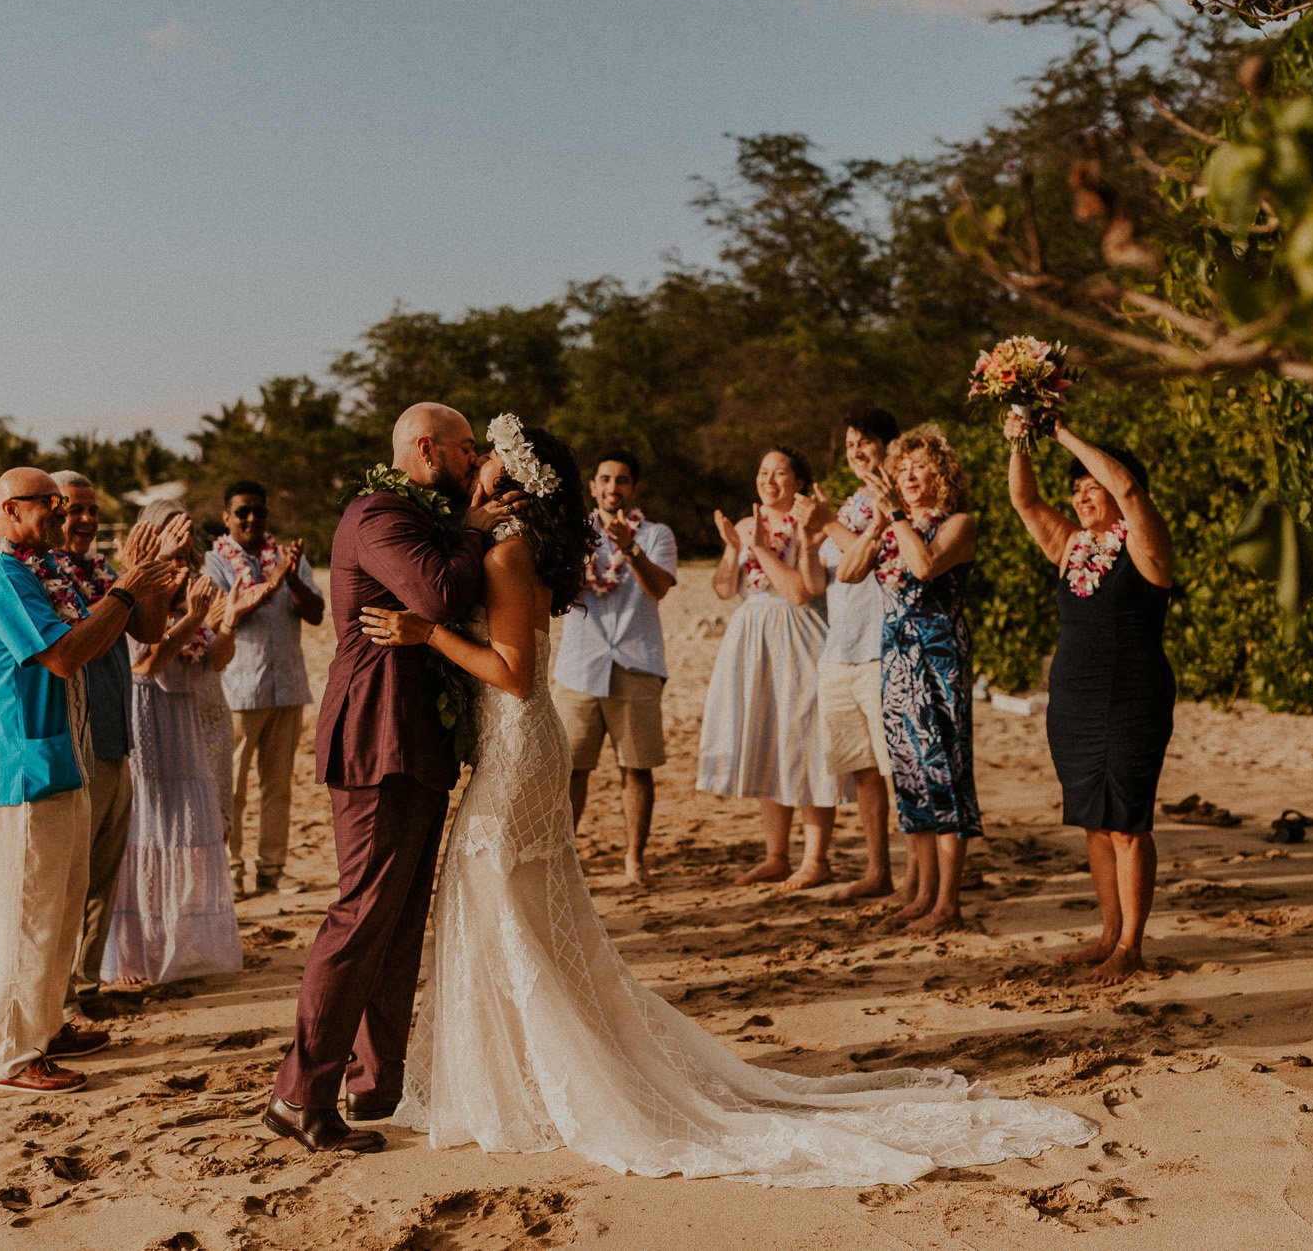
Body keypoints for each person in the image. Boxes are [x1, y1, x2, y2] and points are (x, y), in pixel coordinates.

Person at [359, 414, 1096, 1187]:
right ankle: (523, 1072)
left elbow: (511, 671)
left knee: (500, 902)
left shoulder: (507, 550)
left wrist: (426, 633)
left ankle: (530, 1082)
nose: (472, 461)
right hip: (528, 746)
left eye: (484, 455)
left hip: (515, 749)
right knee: (523, 911)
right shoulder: (508, 540)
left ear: (506, 477)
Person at [263, 403, 523, 1155]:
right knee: (362, 912)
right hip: (377, 733)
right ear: (425, 447)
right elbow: (438, 594)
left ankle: (376, 1080)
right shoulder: (378, 515)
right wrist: (474, 529)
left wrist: (467, 525)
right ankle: (299, 1092)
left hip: (417, 736)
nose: (475, 460)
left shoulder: (423, 513)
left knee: (401, 915)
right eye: (466, 447)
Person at [0, 467, 179, 1094]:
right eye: (47, 504)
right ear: (7, 509)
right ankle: (13, 1051)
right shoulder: (0, 576)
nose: (59, 514)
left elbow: (118, 633)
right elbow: (63, 655)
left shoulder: (41, 572)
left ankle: (48, 1024)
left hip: (67, 757)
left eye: (62, 505)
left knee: (60, 907)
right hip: (25, 766)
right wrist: (127, 589)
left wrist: (137, 589)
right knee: (28, 912)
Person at [1006, 415, 1174, 983]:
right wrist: (1020, 441)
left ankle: (1131, 945)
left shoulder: (1147, 545)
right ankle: (1107, 933)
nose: (1080, 497)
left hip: (1133, 694)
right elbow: (1024, 498)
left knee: (1128, 821)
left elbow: (1127, 488)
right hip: (1073, 699)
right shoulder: (1072, 547)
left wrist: (1061, 431)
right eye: (1074, 491)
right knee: (1095, 823)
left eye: (1089, 487)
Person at [836, 424, 979, 935]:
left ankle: (948, 902)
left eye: (920, 467)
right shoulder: (892, 525)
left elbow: (924, 567)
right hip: (895, 657)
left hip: (938, 658)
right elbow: (848, 574)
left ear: (941, 474)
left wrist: (895, 517)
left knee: (944, 775)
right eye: (903, 468)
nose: (910, 475)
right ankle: (920, 894)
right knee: (911, 777)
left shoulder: (959, 524)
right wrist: (876, 527)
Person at [102, 500, 250, 987]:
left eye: (186, 550)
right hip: (149, 719)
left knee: (190, 832)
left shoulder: (193, 587)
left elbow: (214, 662)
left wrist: (226, 621)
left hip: (189, 719)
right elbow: (148, 662)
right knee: (151, 831)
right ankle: (138, 951)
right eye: (173, 548)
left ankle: (181, 944)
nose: (181, 559)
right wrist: (194, 619)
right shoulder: (137, 587)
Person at [46, 470, 165, 1008]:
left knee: (104, 873)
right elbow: (77, 643)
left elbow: (150, 631)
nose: (87, 519)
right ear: (52, 512)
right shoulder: (43, 576)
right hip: (76, 740)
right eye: (75, 509)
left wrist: (149, 576)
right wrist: (128, 581)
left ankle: (88, 983)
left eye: (92, 509)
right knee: (72, 875)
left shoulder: (104, 571)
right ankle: (61, 990)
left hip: (119, 733)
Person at [696, 447, 833, 888]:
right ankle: (775, 855)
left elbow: (799, 592)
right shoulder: (744, 524)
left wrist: (758, 548)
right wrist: (734, 549)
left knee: (805, 739)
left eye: (779, 473)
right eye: (763, 472)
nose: (769, 480)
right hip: (752, 634)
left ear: (796, 481)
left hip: (798, 632)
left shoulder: (808, 523)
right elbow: (722, 588)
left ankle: (816, 859)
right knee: (769, 738)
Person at [552, 449, 677, 886]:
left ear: (634, 488)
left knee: (636, 768)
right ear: (592, 486)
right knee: (570, 769)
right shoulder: (570, 532)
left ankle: (634, 859)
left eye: (622, 480)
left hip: (636, 661)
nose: (612, 488)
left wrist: (631, 549)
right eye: (605, 479)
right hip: (578, 666)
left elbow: (658, 588)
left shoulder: (658, 534)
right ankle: (562, 860)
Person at [797, 409, 901, 904]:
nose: (857, 451)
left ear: (889, 445)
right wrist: (807, 535)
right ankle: (877, 869)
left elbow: (868, 565)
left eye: (866, 441)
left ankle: (923, 876)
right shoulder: (852, 503)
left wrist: (828, 524)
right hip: (840, 650)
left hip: (884, 648)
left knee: (897, 768)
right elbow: (817, 585)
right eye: (850, 444)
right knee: (862, 769)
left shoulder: (896, 496)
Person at [204, 480, 326, 897]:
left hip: (288, 685)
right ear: (227, 518)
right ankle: (233, 871)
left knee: (278, 787)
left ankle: (273, 869)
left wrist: (291, 579)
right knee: (232, 787)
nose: (252, 518)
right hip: (239, 689)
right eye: (242, 512)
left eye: (259, 511)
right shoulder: (215, 563)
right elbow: (228, 613)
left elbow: (315, 614)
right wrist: (274, 582)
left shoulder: (288, 560)